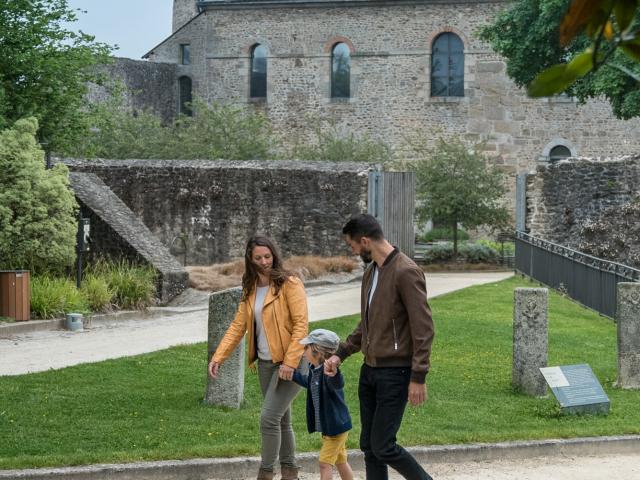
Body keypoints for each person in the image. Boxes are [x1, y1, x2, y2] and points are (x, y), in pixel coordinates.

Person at [325, 214, 435, 480]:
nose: (352, 251)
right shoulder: (371, 271)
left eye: (352, 246)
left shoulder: (405, 271)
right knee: (369, 447)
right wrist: (341, 353)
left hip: (395, 373)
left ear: (365, 241)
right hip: (370, 371)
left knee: (383, 446)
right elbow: (367, 323)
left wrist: (418, 376)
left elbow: (424, 328)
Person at [208, 236, 309, 480]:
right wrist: (218, 356)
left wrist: (290, 363)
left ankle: (265, 474)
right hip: (265, 364)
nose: (264, 261)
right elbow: (237, 326)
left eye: (267, 256)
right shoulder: (251, 288)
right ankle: (290, 472)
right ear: (250, 260)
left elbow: (301, 326)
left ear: (274, 255)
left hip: (291, 363)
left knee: (268, 419)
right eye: (258, 258)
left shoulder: (290, 284)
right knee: (282, 421)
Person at [292, 328, 354, 480]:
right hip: (331, 429)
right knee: (341, 461)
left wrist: (335, 372)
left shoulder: (329, 373)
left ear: (317, 351)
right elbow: (310, 383)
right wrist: (292, 374)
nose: (303, 351)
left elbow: (337, 383)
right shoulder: (315, 370)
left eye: (306, 347)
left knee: (324, 464)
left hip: (336, 430)